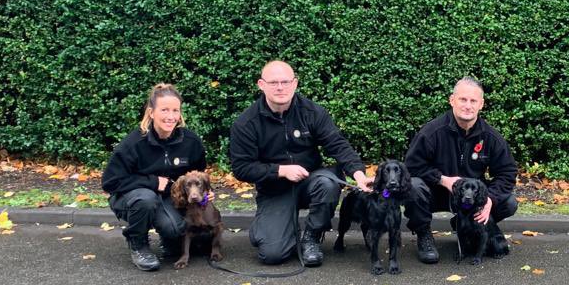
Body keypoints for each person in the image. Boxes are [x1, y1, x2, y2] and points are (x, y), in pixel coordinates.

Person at [229, 61, 370, 266]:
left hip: (310, 182)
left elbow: (337, 144)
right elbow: (241, 168)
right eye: (274, 82)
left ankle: (312, 237)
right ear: (261, 84)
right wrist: (280, 170)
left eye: (285, 81)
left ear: (295, 83)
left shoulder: (312, 112)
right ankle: (275, 231)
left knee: (328, 183)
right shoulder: (245, 123)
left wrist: (359, 175)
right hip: (274, 189)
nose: (280, 87)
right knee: (273, 255)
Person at [404, 77, 518, 264]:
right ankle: (424, 235)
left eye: (473, 101)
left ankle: (469, 226)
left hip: (471, 197)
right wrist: (442, 179)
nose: (468, 105)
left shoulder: (491, 137)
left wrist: (490, 198)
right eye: (463, 99)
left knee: (509, 203)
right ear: (452, 100)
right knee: (413, 188)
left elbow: (507, 172)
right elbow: (411, 166)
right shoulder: (432, 132)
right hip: (437, 192)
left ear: (481, 104)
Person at [103, 83, 207, 271]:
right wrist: (152, 182)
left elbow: (199, 174)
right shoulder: (134, 143)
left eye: (175, 110)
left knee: (175, 229)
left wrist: (204, 194)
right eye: (164, 110)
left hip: (168, 197)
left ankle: (170, 239)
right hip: (131, 197)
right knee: (146, 199)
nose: (171, 116)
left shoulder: (190, 141)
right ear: (151, 112)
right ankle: (138, 244)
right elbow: (110, 182)